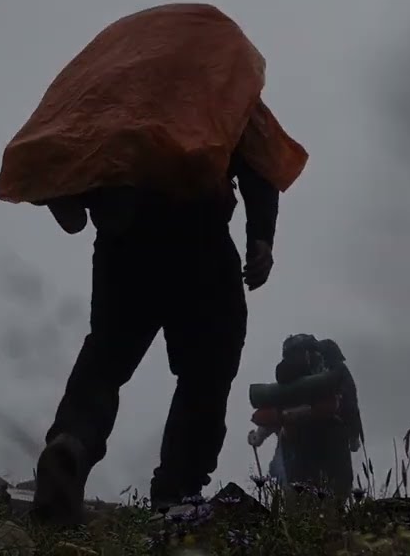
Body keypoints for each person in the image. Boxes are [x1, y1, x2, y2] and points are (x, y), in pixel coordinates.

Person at [31, 151, 280, 526]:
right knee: (207, 372)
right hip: (200, 235)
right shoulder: (220, 89)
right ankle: (176, 497)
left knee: (106, 359)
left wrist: (70, 198)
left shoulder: (108, 89)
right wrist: (261, 234)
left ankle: (72, 442)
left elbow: (72, 135)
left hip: (124, 240)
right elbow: (258, 150)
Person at [248, 335, 363, 500]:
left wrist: (259, 436)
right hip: (327, 442)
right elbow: (349, 405)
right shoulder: (330, 375)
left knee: (299, 497)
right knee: (334, 495)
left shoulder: (293, 380)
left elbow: (277, 407)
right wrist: (354, 435)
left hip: (296, 444)